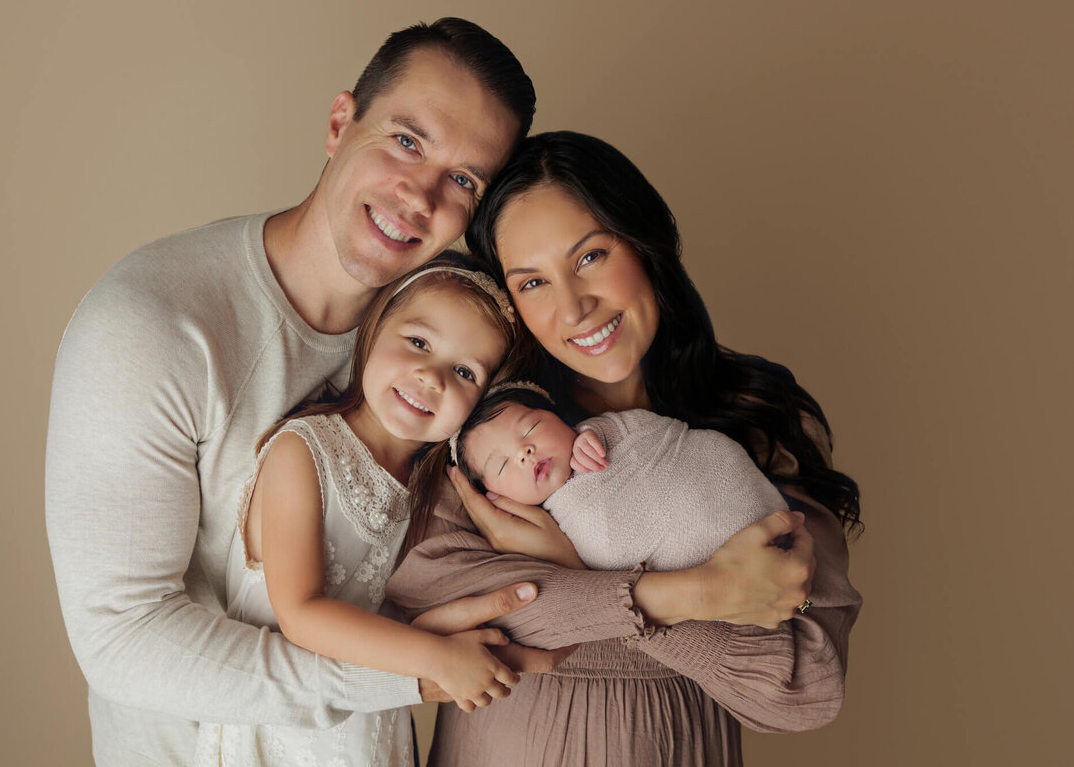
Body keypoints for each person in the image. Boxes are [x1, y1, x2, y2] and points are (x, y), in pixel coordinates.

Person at [45, 18, 550, 766]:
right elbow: (123, 640)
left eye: (464, 179)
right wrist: (411, 673)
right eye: (407, 141)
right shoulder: (153, 324)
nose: (420, 195)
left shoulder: (444, 351)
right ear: (341, 122)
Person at [386, 131, 864, 766]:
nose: (575, 308)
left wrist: (571, 572)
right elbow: (437, 615)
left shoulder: (758, 425)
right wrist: (700, 594)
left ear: (645, 244)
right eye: (532, 283)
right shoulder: (482, 435)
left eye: (590, 257)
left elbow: (804, 687)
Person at [195, 256, 519, 765]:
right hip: (283, 729)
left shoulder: (431, 489)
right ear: (373, 329)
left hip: (371, 727)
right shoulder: (303, 452)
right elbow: (301, 613)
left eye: (463, 371)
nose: (431, 377)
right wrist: (439, 660)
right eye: (418, 342)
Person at [446, 383, 787, 573]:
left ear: (557, 415)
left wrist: (594, 432)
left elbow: (641, 429)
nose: (524, 452)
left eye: (531, 428)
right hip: (714, 578)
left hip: (736, 498)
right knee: (792, 597)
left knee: (805, 598)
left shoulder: (602, 432)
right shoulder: (536, 533)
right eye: (503, 465)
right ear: (495, 497)